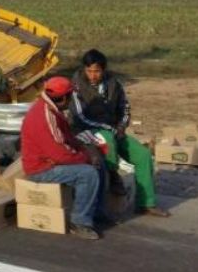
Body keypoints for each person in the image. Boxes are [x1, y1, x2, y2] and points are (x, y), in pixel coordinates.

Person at [70, 49, 169, 217]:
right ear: (84, 69)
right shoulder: (76, 86)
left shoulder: (114, 84)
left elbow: (125, 108)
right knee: (108, 140)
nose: (93, 75)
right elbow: (79, 116)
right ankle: (113, 174)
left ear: (104, 69)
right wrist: (111, 129)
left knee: (143, 155)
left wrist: (122, 126)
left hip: (115, 129)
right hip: (86, 130)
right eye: (89, 71)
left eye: (97, 71)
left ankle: (146, 203)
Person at [21, 76, 105, 240]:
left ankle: (96, 212)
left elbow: (67, 138)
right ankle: (79, 222)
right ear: (64, 98)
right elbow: (60, 153)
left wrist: (86, 151)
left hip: (49, 162)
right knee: (87, 173)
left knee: (98, 162)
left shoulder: (51, 109)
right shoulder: (45, 116)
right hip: (41, 168)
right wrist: (85, 158)